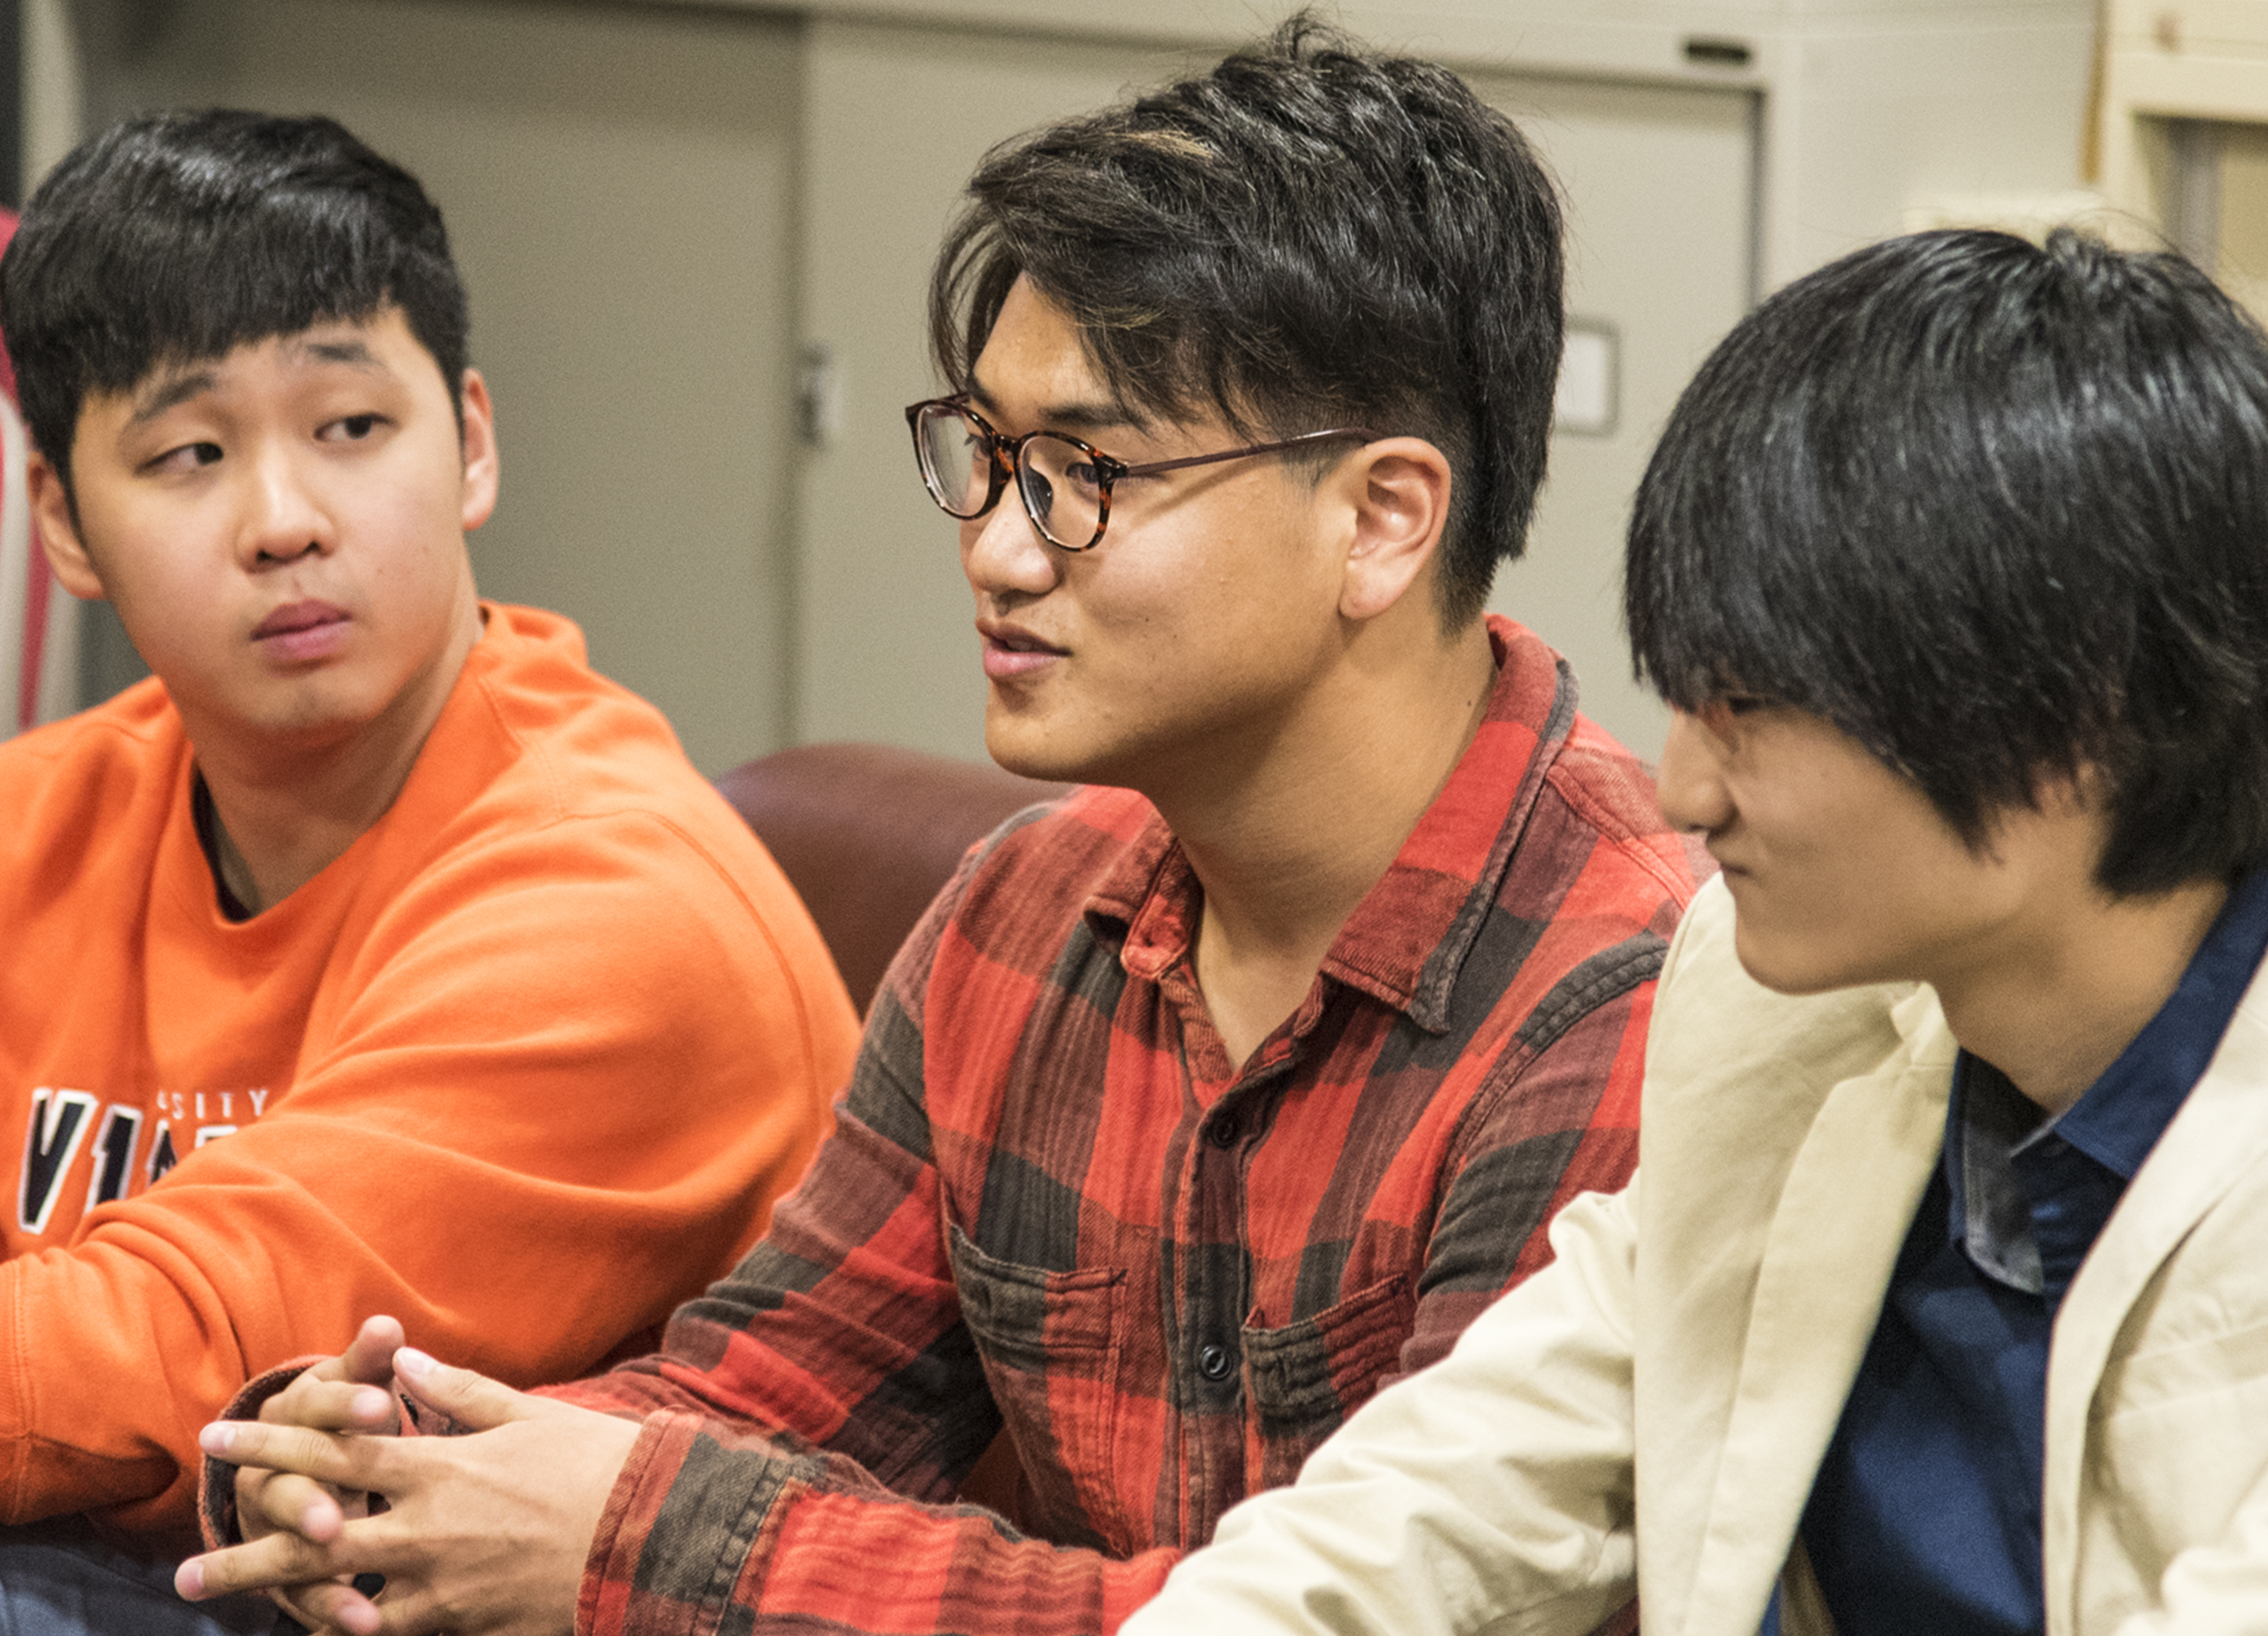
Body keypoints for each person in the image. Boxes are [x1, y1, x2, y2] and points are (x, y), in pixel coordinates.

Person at [177, 19, 1706, 1636]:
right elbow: (769, 1384)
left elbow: (1351, 1613)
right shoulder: (1028, 910)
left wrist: (641, 1533)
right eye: (985, 457)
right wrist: (394, 1460)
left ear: (1381, 519)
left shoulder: (1619, 994)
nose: (994, 547)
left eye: (1082, 472)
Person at [1118, 224, 2268, 1636]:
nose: (1680, 789)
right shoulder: (1783, 999)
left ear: (2069, 724)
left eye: (1754, 710)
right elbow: (1455, 1490)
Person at [0, 109, 857, 1628]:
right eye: (186, 454)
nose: (285, 522)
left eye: (352, 429)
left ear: (474, 443)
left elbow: (183, 1355)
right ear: (62, 521)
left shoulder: (623, 901)